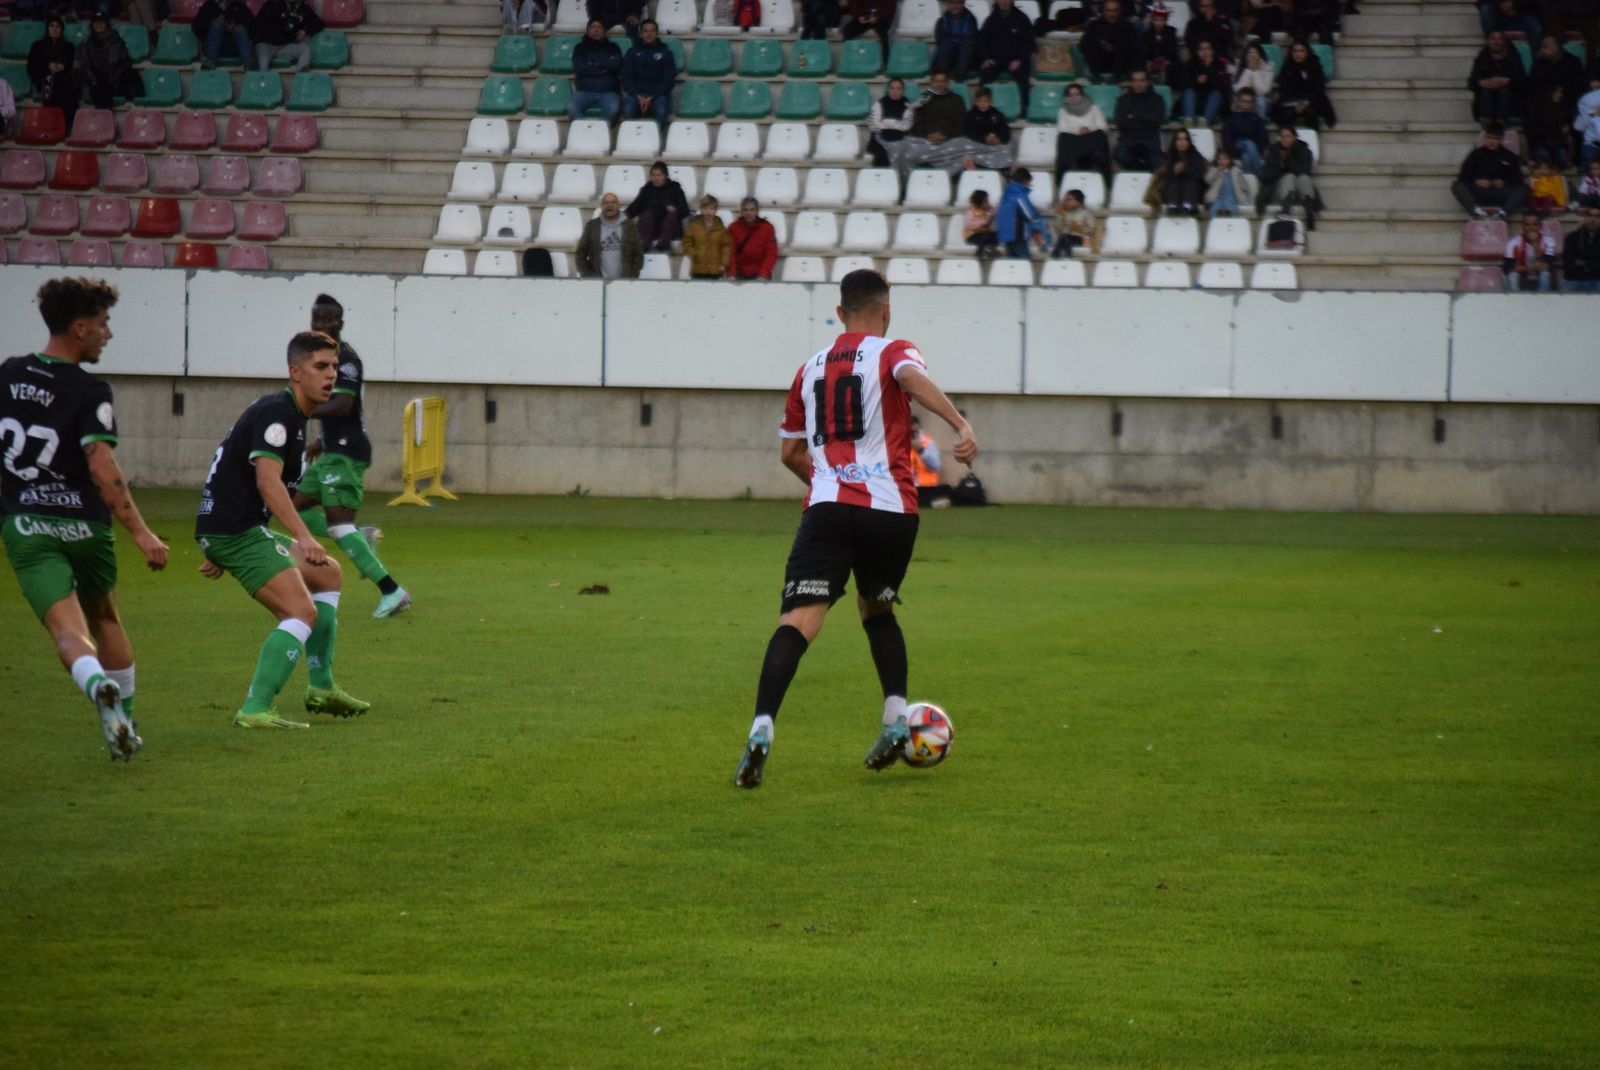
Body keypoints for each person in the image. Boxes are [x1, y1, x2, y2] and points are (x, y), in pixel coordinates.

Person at [731, 269, 978, 789]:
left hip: (828, 508)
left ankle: (762, 727)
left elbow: (790, 453)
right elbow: (910, 378)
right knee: (878, 608)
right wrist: (959, 424)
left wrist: (828, 482)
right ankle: (894, 719)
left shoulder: (809, 370)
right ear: (886, 312)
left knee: (797, 622)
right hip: (891, 510)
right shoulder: (893, 351)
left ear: (839, 313)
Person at [1, 277, 168, 761]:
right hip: (86, 527)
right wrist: (141, 531)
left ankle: (97, 686)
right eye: (103, 324)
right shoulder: (90, 389)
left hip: (29, 525)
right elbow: (100, 463)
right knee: (106, 617)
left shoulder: (8, 374)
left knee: (70, 633)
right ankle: (127, 724)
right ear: (78, 328)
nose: (107, 334)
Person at [196, 331, 370, 730]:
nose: (331, 376)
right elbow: (267, 482)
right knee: (300, 610)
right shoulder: (278, 414)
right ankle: (255, 708)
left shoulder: (290, 414)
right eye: (320, 367)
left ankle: (321, 687)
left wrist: (214, 538)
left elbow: (232, 469)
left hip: (231, 528)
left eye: (334, 368)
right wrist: (304, 536)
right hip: (236, 531)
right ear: (295, 372)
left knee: (327, 573)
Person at [287, 296, 412, 619]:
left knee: (338, 527)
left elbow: (343, 405)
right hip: (331, 450)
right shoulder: (323, 357)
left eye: (328, 318)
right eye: (317, 319)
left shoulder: (346, 360)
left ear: (339, 323)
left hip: (347, 453)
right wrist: (320, 440)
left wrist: (302, 409)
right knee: (288, 506)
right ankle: (362, 536)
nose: (321, 324)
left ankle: (392, 590)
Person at [1524, 34, 1584, 167]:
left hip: (1569, 102)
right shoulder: (1539, 63)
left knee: (1578, 118)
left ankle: (1576, 159)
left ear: (1557, 47)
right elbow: (1532, 86)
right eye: (1542, 47)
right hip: (1543, 103)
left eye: (1546, 46)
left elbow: (1578, 87)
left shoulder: (1572, 62)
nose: (1543, 49)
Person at [1452, 123, 1529, 217]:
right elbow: (1463, 176)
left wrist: (1504, 183)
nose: (1492, 141)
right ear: (1485, 138)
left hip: (1501, 193)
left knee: (1523, 189)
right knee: (1457, 185)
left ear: (1501, 139)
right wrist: (1476, 182)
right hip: (1480, 192)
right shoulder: (1475, 155)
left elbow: (1518, 179)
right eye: (1489, 138)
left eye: (1496, 139)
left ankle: (1502, 214)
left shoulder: (1510, 156)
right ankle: (1476, 212)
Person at [76, 14, 142, 111]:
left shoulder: (116, 40)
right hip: (96, 80)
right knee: (100, 86)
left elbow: (125, 62)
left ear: (106, 24)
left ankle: (133, 104)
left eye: (101, 22)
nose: (98, 25)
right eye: (95, 22)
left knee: (131, 75)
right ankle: (105, 118)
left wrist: (113, 77)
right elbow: (85, 65)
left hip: (115, 78)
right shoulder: (87, 42)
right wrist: (94, 79)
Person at [977, 0, 1034, 110]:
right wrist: (986, 58)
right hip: (995, 60)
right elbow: (982, 42)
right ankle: (980, 108)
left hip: (1016, 60)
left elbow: (1029, 43)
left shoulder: (1022, 18)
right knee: (985, 73)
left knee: (1023, 77)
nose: (1004, 2)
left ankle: (1024, 108)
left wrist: (1019, 60)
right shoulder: (991, 20)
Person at [1259, 124, 1320, 226]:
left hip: (1301, 190)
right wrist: (1279, 165)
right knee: (1289, 177)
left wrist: (1287, 161)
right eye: (1282, 136)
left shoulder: (1304, 150)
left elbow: (1305, 170)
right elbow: (1266, 176)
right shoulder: (1273, 151)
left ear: (1294, 137)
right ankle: (1285, 209)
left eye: (1288, 136)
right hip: (1279, 190)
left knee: (1304, 178)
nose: (1285, 139)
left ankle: (1309, 211)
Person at [1054, 81, 1111, 186]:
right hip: (1074, 142)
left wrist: (1088, 129)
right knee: (1064, 137)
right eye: (1071, 95)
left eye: (1077, 94)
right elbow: (1062, 129)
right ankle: (1059, 182)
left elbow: (1103, 126)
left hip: (1091, 139)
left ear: (1082, 95)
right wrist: (1078, 131)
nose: (1074, 97)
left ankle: (1107, 181)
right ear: (1067, 97)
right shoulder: (1063, 111)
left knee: (1100, 134)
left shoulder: (1094, 108)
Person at [576, 192, 645, 278]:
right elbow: (580, 254)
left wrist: (633, 276)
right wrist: (588, 276)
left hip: (624, 281)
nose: (610, 205)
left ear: (619, 206)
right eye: (606, 203)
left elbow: (638, 254)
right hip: (598, 282)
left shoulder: (629, 226)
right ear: (601, 206)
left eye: (613, 202)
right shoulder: (592, 226)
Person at [625, 161, 691, 251]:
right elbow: (635, 207)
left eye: (659, 175)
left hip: (670, 230)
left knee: (671, 216)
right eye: (653, 175)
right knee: (646, 214)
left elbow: (685, 210)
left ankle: (663, 244)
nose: (656, 178)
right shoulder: (647, 189)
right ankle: (644, 244)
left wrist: (675, 210)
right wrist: (621, 216)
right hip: (651, 228)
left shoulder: (675, 189)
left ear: (665, 176)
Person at [620, 19, 675, 127]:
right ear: (641, 34)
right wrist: (638, 96)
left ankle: (656, 140)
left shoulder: (665, 53)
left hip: (657, 95)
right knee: (628, 109)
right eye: (645, 31)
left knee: (661, 111)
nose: (649, 34)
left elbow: (668, 80)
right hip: (636, 95)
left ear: (657, 34)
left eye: (652, 31)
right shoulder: (632, 52)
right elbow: (626, 77)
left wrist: (652, 97)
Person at [567, 18, 623, 123]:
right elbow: (579, 68)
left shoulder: (613, 47)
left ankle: (599, 132)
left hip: (608, 92)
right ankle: (585, 130)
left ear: (605, 31)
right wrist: (605, 69)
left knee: (614, 108)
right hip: (584, 92)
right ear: (588, 30)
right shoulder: (580, 48)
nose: (596, 30)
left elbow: (616, 65)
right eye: (593, 27)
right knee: (571, 108)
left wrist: (593, 64)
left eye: (599, 27)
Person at [27, 18, 78, 131]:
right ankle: (51, 126)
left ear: (61, 30)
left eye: (58, 27)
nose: (55, 29)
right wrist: (48, 66)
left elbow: (73, 65)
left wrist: (63, 67)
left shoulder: (69, 47)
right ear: (47, 29)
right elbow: (31, 66)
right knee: (52, 82)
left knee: (64, 84)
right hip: (44, 80)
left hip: (64, 81)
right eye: (52, 26)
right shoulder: (38, 46)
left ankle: (64, 125)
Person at [1113, 68, 1166, 170]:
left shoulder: (1157, 99)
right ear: (1131, 82)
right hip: (1129, 141)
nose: (1138, 84)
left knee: (1158, 161)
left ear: (1147, 82)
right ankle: (1142, 170)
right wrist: (1145, 118)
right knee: (1120, 155)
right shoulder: (1123, 100)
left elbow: (1156, 120)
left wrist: (1134, 116)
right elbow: (1121, 123)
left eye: (1141, 80)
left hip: (1150, 142)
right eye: (1135, 81)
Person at [1469, 31, 1525, 124]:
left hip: (1510, 105)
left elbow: (1522, 81)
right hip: (1485, 103)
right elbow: (1471, 84)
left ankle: (1500, 123)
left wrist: (1508, 81)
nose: (1496, 42)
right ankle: (1487, 122)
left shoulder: (1513, 58)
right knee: (1485, 90)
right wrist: (1481, 82)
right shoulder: (1481, 59)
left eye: (1499, 39)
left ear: (1504, 41)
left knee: (1504, 90)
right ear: (1488, 41)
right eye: (1493, 39)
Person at [253, 0, 325, 72]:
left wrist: (305, 31)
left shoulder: (303, 9)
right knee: (263, 65)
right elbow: (258, 25)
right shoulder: (272, 4)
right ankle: (262, 81)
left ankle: (302, 77)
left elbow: (319, 24)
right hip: (266, 45)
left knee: (305, 49)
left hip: (284, 47)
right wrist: (277, 32)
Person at [1081, 0, 1139, 84]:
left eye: (1114, 11)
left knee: (1123, 45)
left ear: (1119, 11)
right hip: (1099, 62)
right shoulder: (1094, 25)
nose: (1111, 14)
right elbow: (1083, 46)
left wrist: (1116, 46)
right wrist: (1099, 43)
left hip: (1120, 63)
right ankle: (1095, 77)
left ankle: (1117, 78)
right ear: (1103, 11)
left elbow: (1134, 49)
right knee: (1091, 43)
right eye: (1108, 10)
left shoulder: (1127, 26)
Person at [997, 166, 1049, 257]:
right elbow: (1029, 214)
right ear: (1025, 181)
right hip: (1017, 234)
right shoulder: (1019, 195)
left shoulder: (1006, 194)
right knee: (1024, 262)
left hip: (1006, 234)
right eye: (1029, 183)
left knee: (1012, 260)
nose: (1029, 185)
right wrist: (1039, 219)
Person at [1179, 39, 1232, 125]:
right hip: (1194, 103)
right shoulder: (1190, 64)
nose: (1204, 52)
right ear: (1197, 51)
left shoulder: (1219, 65)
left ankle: (1204, 123)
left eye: (1207, 49)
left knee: (1216, 94)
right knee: (1189, 92)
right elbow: (1183, 84)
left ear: (1212, 51)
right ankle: (1188, 121)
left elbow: (1222, 87)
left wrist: (1208, 68)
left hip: (1211, 104)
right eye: (1201, 49)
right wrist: (1196, 81)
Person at [195, 0, 256, 71]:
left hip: (235, 47)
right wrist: (212, 26)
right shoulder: (209, 5)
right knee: (217, 25)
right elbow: (196, 27)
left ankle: (249, 64)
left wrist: (234, 28)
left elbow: (254, 30)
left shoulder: (240, 6)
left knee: (239, 29)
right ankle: (209, 62)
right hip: (212, 45)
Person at [1157, 127, 1208, 213]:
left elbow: (1198, 174)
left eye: (1184, 139)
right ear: (1175, 142)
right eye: (1179, 140)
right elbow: (1165, 175)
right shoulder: (1169, 156)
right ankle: (1172, 206)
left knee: (1190, 182)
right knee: (1173, 181)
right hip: (1172, 192)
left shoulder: (1195, 155)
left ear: (1189, 141)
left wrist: (1183, 171)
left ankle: (1187, 206)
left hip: (1192, 192)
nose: (1182, 143)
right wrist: (1174, 171)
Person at [1502, 213, 1557, 291]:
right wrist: (1531, 267)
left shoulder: (1549, 241)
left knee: (1545, 274)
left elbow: (1547, 266)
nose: (1531, 228)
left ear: (1540, 226)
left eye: (1534, 225)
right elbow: (1507, 269)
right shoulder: (1513, 243)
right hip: (1522, 279)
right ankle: (1514, 301)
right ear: (1523, 226)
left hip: (1539, 279)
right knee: (1512, 276)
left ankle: (1544, 300)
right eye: (1527, 225)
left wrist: (1535, 243)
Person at [867, 78, 915, 168]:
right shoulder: (879, 104)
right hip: (880, 139)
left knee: (905, 151)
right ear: (888, 90)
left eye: (898, 89)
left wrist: (887, 123)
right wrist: (896, 125)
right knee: (881, 154)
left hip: (900, 139)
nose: (895, 91)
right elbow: (873, 125)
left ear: (902, 91)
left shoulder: (907, 106)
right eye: (892, 88)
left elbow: (906, 126)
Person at [728, 197, 779, 280]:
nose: (748, 213)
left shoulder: (767, 228)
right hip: (739, 274)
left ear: (757, 211)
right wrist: (732, 274)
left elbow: (771, 253)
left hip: (760, 274)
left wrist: (763, 274)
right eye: (745, 210)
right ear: (741, 211)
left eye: (752, 210)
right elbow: (731, 253)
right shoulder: (734, 228)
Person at [681, 195, 730, 278]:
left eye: (711, 209)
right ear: (701, 209)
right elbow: (686, 241)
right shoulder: (694, 225)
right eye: (705, 209)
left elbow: (726, 246)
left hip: (715, 270)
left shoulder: (720, 228)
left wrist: (723, 263)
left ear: (715, 210)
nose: (708, 211)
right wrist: (693, 253)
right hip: (698, 269)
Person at [1222, 87, 1269, 173]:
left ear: (1253, 103)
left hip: (1254, 150)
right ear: (1239, 102)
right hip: (1236, 148)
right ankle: (1260, 174)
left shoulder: (1257, 119)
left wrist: (1256, 149)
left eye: (1249, 101)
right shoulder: (1232, 118)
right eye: (1244, 101)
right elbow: (1227, 138)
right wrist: (1235, 151)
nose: (1247, 104)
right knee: (1248, 143)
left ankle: (1249, 182)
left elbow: (1264, 138)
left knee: (1246, 157)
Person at [1136, 4, 1183, 87]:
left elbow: (1173, 54)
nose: (1158, 23)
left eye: (1161, 20)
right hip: (1150, 64)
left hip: (1167, 65)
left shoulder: (1171, 33)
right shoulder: (1146, 35)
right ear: (1152, 20)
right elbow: (1143, 53)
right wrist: (1149, 61)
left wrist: (1166, 62)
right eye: (1156, 20)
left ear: (1166, 21)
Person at [908, 415, 950, 507]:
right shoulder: (900, 444)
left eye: (915, 432)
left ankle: (924, 502)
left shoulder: (928, 442)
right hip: (907, 488)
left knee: (947, 489)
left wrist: (921, 450)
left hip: (926, 487)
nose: (913, 435)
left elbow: (936, 466)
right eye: (911, 432)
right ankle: (930, 503)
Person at [933, 0, 979, 82]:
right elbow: (940, 41)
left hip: (965, 58)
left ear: (963, 4)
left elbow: (973, 39)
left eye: (958, 2)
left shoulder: (971, 20)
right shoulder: (942, 21)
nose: (955, 5)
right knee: (947, 44)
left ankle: (960, 76)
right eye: (951, 2)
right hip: (949, 56)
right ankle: (941, 75)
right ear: (947, 4)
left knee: (967, 45)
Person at [1205, 147, 1257, 216]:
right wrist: (1216, 170)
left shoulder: (1236, 172)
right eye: (1219, 159)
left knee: (1229, 205)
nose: (1222, 161)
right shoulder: (1215, 170)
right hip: (1217, 196)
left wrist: (1243, 194)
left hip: (1232, 196)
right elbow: (1207, 180)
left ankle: (1228, 214)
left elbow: (1244, 185)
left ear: (1230, 160)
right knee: (1215, 208)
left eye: (1224, 159)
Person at [1563, 204, 1600, 291]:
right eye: (1590, 215)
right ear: (1585, 218)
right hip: (1576, 280)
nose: (1593, 219)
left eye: (1597, 216)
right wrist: (1592, 264)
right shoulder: (1572, 237)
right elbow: (1569, 265)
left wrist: (1583, 264)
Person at [1051, 186, 1096, 256]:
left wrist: (1080, 229)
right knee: (1064, 237)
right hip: (1065, 238)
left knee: (1064, 237)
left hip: (1081, 239)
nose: (1066, 202)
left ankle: (1056, 256)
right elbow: (1058, 229)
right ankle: (1067, 257)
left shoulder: (1087, 214)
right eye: (1065, 200)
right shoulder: (1065, 213)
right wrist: (1059, 216)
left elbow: (1092, 232)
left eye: (1069, 199)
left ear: (1079, 202)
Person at [1234, 43, 1275, 116]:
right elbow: (1238, 90)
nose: (1253, 56)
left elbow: (1262, 92)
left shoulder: (1268, 66)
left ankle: (1259, 124)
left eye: (1256, 53)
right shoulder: (1239, 65)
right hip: (1243, 99)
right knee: (1240, 101)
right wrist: (1249, 70)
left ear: (1260, 55)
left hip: (1262, 101)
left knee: (1260, 100)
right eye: (1250, 53)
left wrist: (1255, 71)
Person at [963, 188, 998, 258]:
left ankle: (991, 249)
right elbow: (970, 225)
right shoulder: (970, 211)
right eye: (985, 201)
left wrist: (993, 212)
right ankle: (979, 254)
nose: (987, 203)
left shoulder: (988, 210)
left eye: (987, 201)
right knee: (984, 236)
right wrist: (984, 222)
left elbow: (995, 215)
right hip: (972, 235)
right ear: (978, 202)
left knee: (996, 235)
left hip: (985, 233)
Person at [1575, 86, 1600, 167]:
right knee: (1588, 154)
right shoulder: (1591, 117)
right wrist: (1594, 117)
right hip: (1592, 145)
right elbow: (1578, 127)